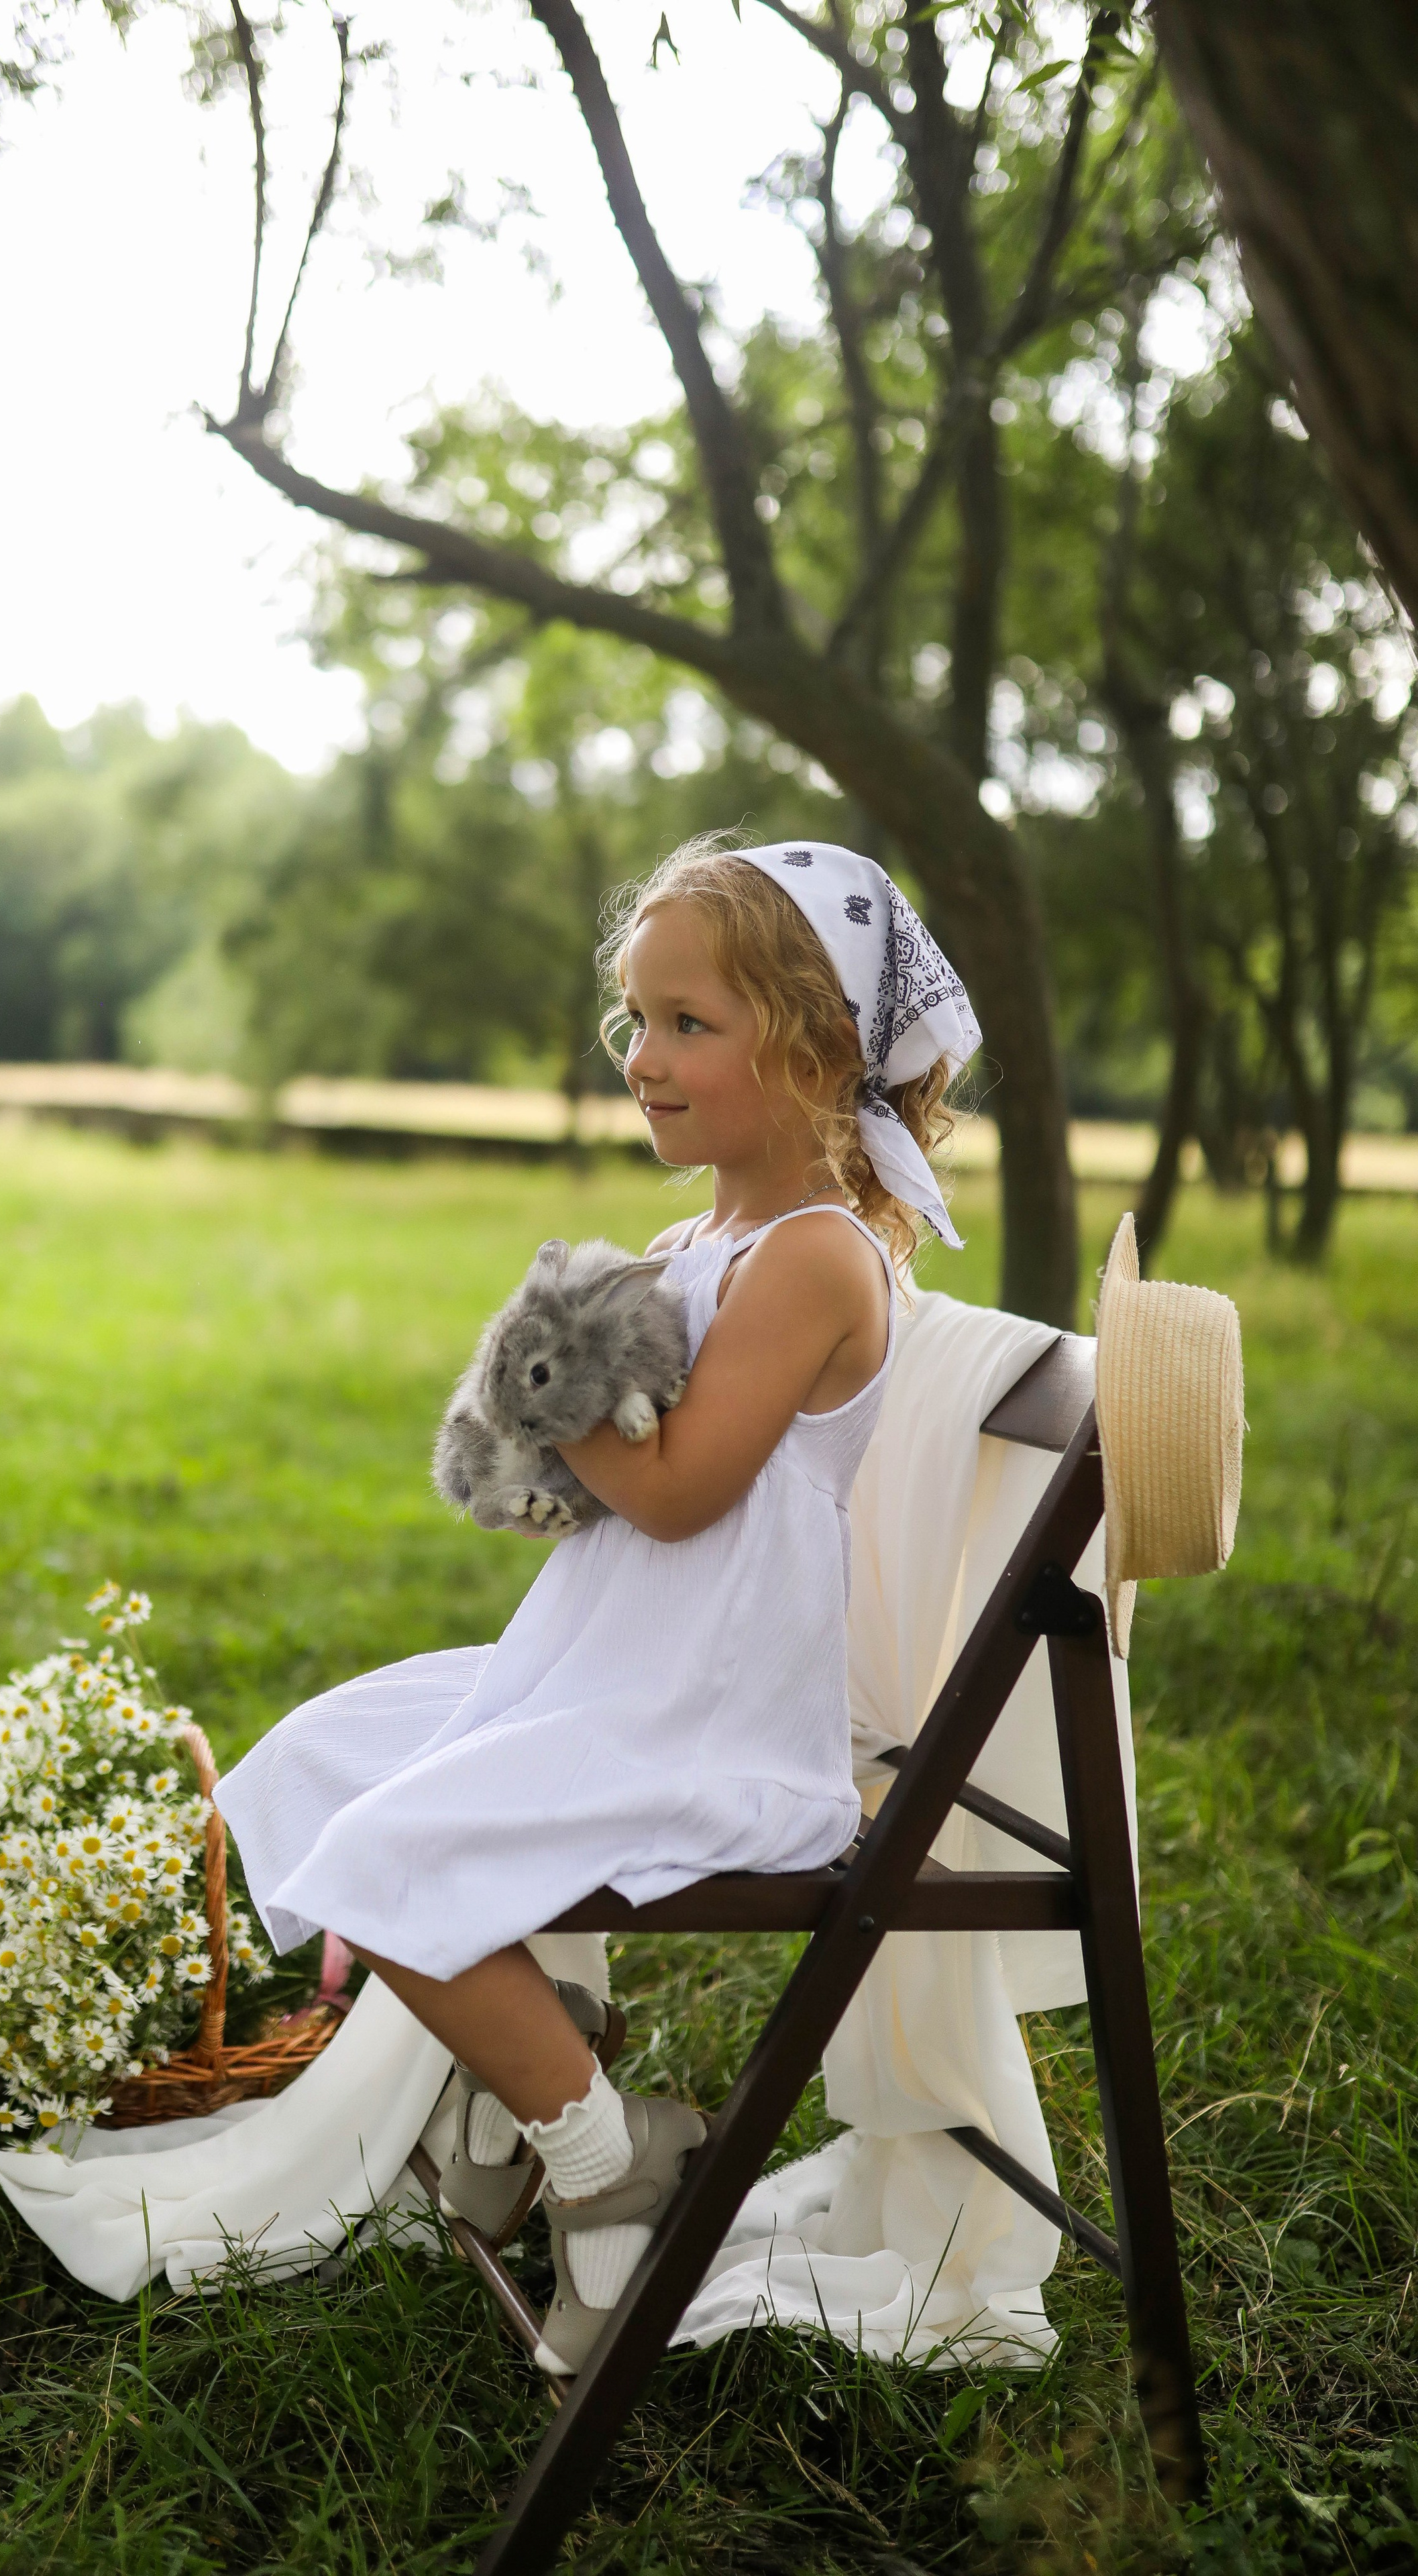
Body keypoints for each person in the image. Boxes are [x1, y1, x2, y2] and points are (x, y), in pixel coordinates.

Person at [214, 834, 979, 2375]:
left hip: (702, 1720)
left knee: (385, 1855)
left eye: (688, 1023)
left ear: (820, 1047)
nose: (641, 1057)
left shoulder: (813, 1260)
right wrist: (538, 1455)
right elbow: (614, 1487)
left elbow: (680, 1491)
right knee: (316, 1761)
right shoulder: (692, 1245)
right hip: (599, 1671)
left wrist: (539, 1392)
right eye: (634, 1018)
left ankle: (596, 2150)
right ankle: (532, 2079)